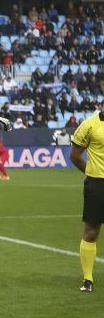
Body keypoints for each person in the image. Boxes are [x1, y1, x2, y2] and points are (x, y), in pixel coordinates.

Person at [69, 102, 104, 292]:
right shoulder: (89, 124)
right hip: (97, 184)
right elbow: (74, 155)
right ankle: (88, 279)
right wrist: (91, 172)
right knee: (91, 231)